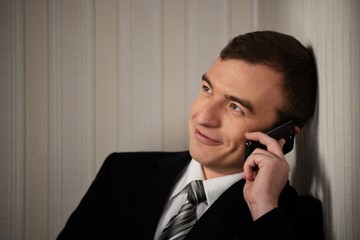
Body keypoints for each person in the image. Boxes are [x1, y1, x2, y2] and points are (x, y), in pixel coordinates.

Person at [57, 31, 324, 239]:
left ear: (283, 135)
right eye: (207, 89)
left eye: (235, 107)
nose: (203, 117)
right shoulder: (120, 172)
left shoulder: (286, 219)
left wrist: (263, 208)